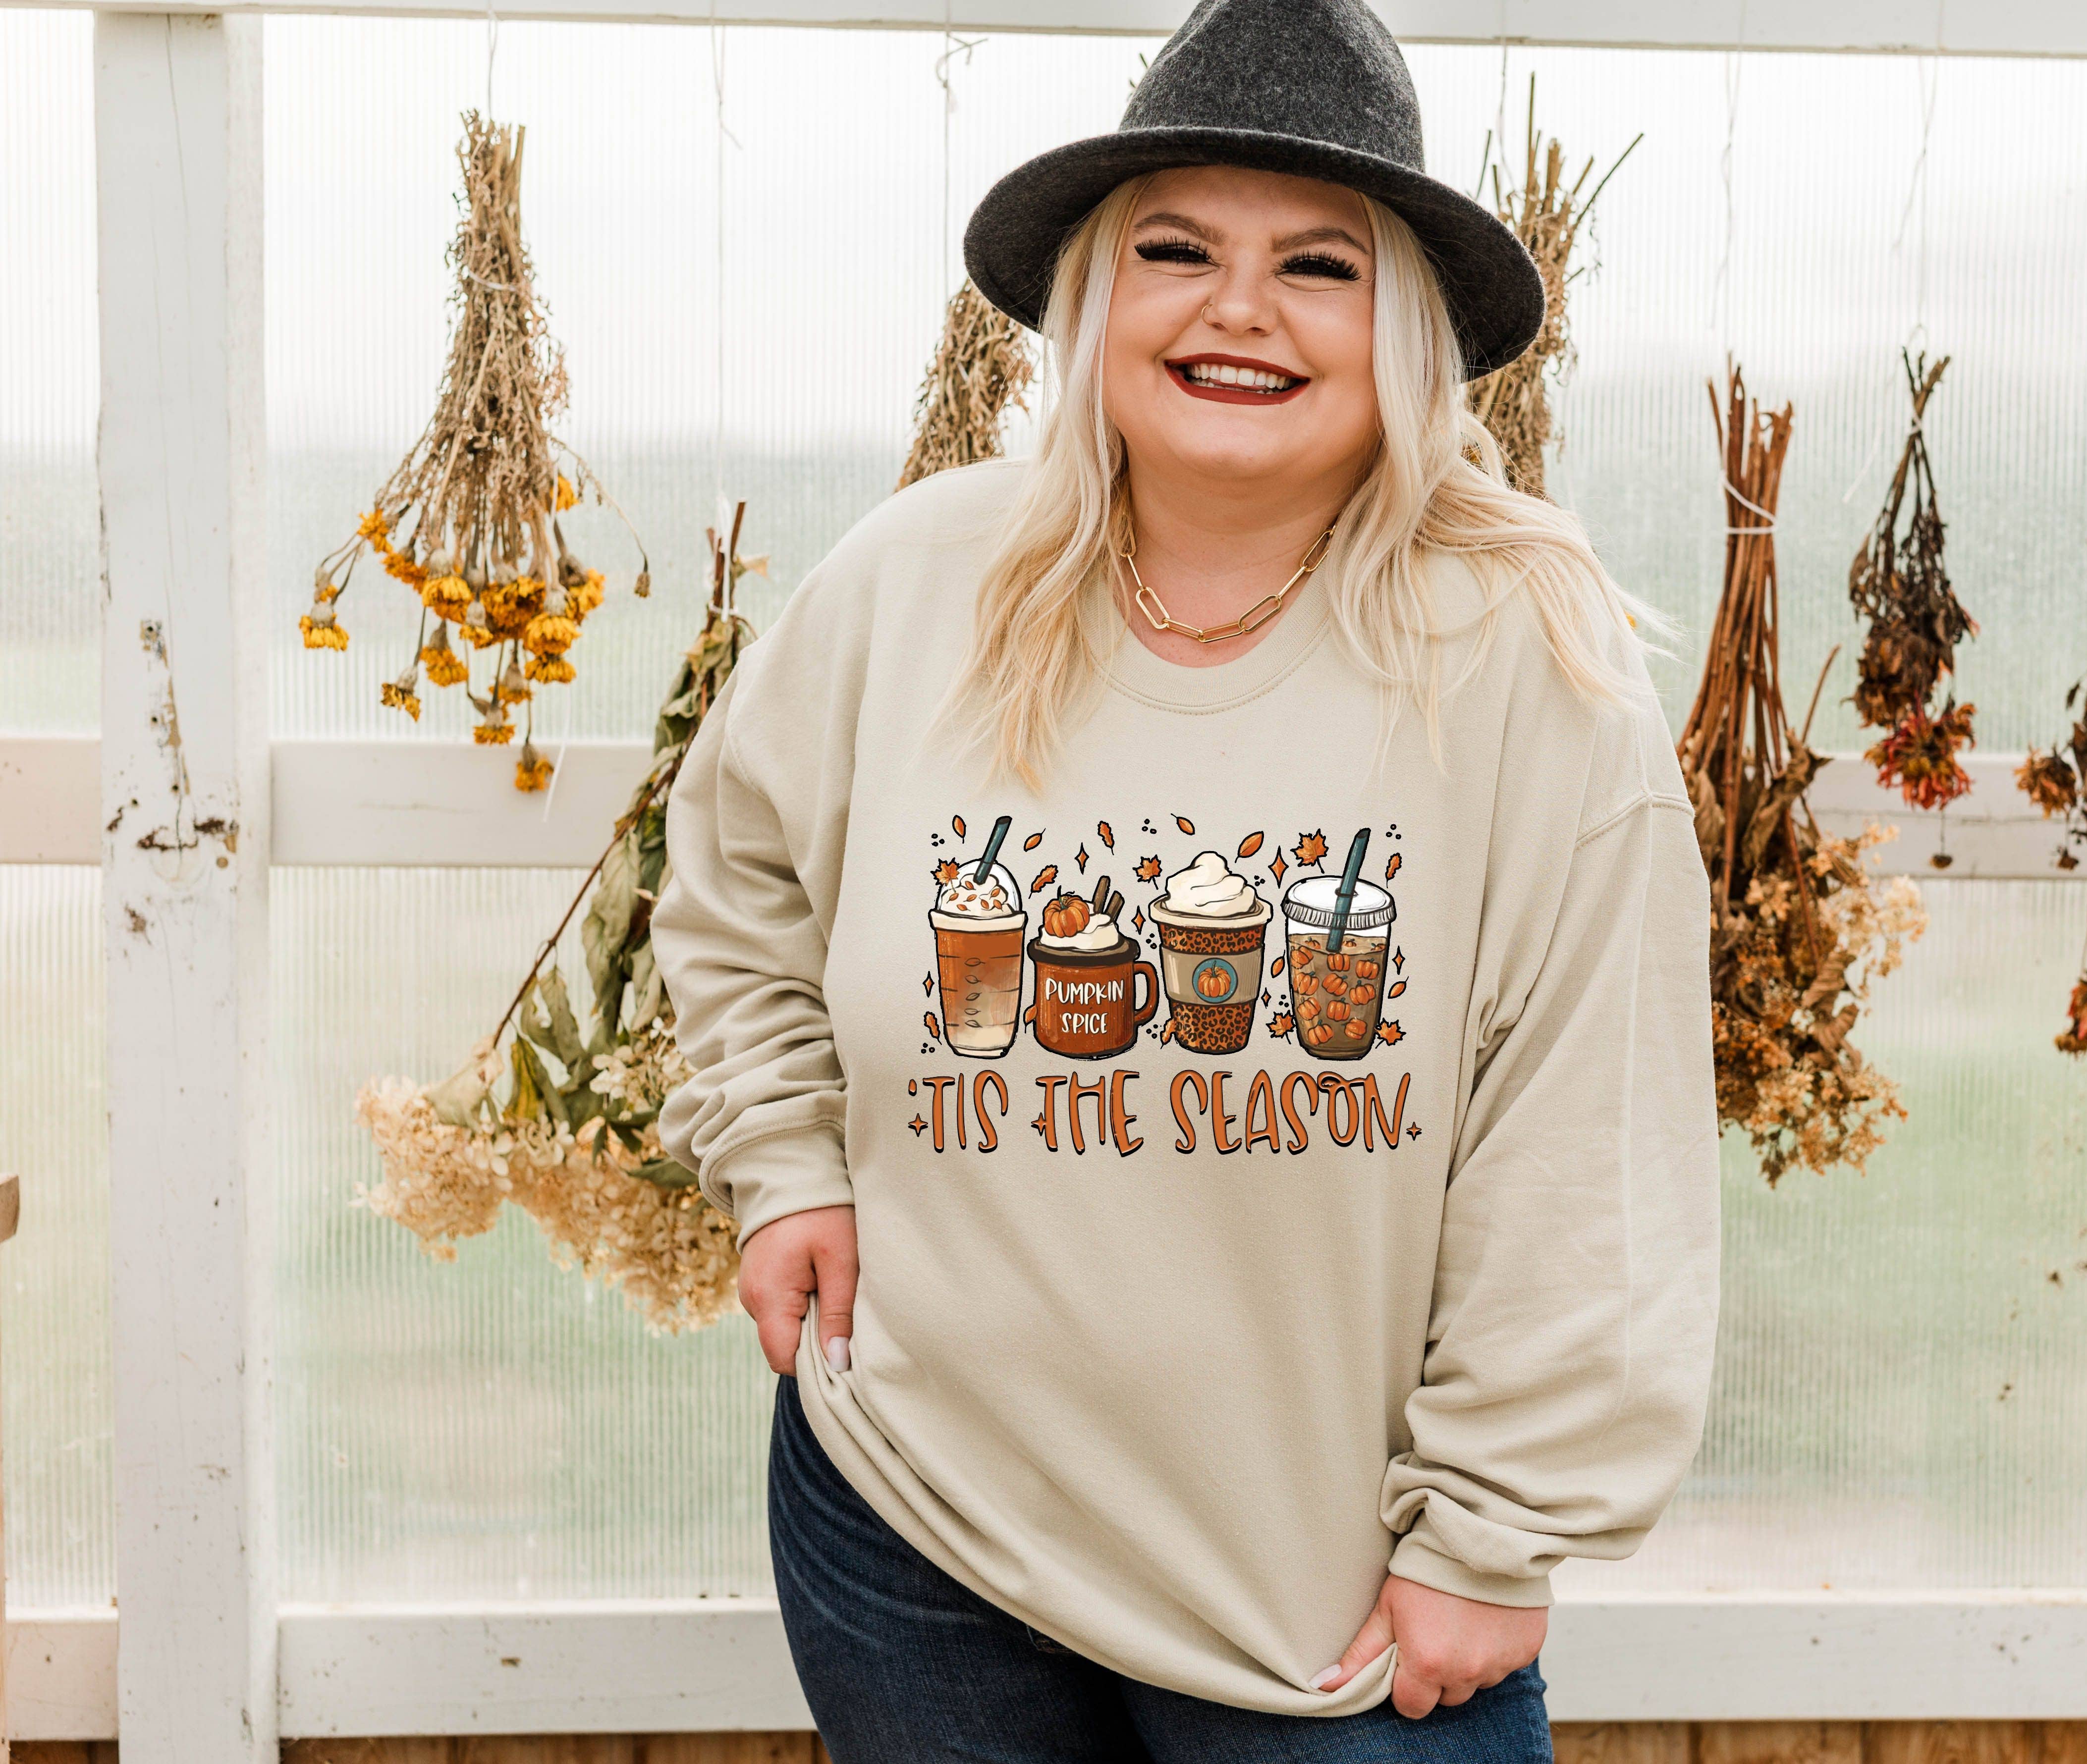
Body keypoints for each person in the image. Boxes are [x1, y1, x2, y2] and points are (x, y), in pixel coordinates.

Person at [651, 0, 1720, 1756]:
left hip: (1323, 1588)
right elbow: (732, 872)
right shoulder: (916, 582)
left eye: (1316, 265)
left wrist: (1497, 1525)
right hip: (916, 1507)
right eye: (1175, 251)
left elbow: (1588, 1130)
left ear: (1405, 331)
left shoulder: (1526, 658)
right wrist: (782, 1161)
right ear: (1094, 299)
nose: (1236, 308)